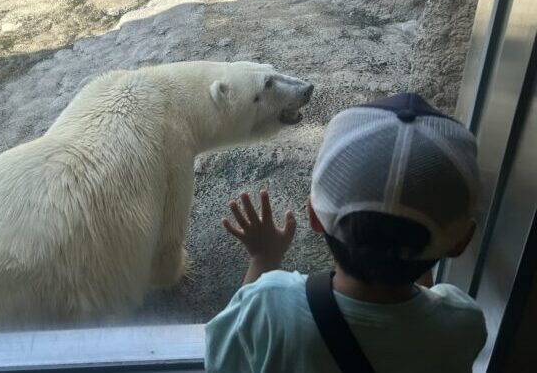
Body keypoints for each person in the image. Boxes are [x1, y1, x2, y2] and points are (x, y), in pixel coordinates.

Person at [205, 93, 487, 372]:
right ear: (460, 242)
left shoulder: (269, 303)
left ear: (313, 216)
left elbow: (224, 361)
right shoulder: (463, 321)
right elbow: (417, 315)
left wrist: (263, 259)